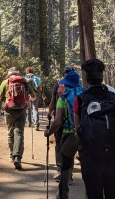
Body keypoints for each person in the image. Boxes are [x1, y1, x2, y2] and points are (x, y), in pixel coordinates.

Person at [74, 59, 115, 199]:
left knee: (93, 193)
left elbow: (77, 129)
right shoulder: (113, 98)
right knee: (114, 193)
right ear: (102, 76)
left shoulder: (80, 99)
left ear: (86, 77)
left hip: (91, 155)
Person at [44, 69, 84, 199]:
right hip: (86, 135)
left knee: (66, 163)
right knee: (88, 166)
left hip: (70, 134)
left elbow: (57, 122)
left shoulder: (64, 98)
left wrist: (48, 132)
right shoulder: (86, 93)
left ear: (67, 84)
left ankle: (63, 193)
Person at [0, 66, 36, 170]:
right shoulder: (25, 81)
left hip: (9, 110)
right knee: (19, 133)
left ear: (9, 74)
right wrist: (28, 100)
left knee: (10, 132)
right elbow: (34, 96)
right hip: (22, 110)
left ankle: (11, 155)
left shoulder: (5, 82)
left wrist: (2, 99)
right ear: (18, 74)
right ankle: (17, 156)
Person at [47, 66, 74, 180]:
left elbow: (53, 100)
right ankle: (69, 174)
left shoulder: (58, 84)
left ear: (64, 74)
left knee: (59, 144)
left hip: (59, 118)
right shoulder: (77, 87)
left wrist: (49, 112)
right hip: (72, 121)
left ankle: (59, 169)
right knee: (70, 147)